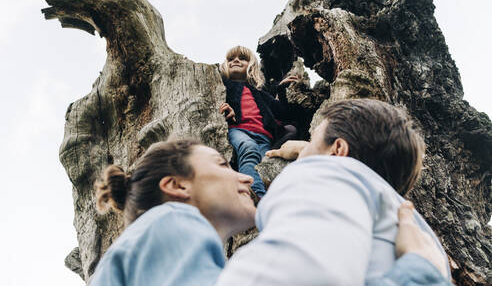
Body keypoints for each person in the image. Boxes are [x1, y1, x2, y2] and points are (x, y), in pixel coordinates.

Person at [89, 138, 451, 285]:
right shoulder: (170, 222)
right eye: (221, 163)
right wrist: (421, 269)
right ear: (178, 186)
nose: (246, 177)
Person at [216, 98, 452, 285]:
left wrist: (421, 272)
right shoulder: (421, 242)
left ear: (337, 149)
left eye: (313, 138)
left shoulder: (330, 177)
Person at [219, 45, 299, 197]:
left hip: (264, 136)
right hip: (239, 129)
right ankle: (255, 196)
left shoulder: (259, 92)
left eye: (242, 58)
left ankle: (268, 198)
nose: (236, 60)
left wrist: (281, 89)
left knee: (264, 166)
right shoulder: (224, 87)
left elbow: (281, 111)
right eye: (231, 59)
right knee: (249, 150)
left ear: (251, 66)